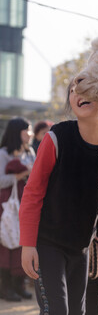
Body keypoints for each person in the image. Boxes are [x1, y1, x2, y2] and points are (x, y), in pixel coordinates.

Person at [19, 81, 98, 315]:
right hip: (46, 243)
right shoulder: (56, 138)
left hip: (81, 247)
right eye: (73, 90)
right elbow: (33, 191)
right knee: (56, 311)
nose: (78, 93)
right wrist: (28, 244)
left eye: (87, 87)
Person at [0, 117, 35, 302]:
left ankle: (19, 286)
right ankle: (5, 288)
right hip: (8, 206)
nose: (29, 135)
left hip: (26, 205)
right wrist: (22, 174)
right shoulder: (3, 153)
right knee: (8, 245)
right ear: (17, 132)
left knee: (24, 243)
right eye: (26, 131)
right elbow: (1, 181)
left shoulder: (30, 151)